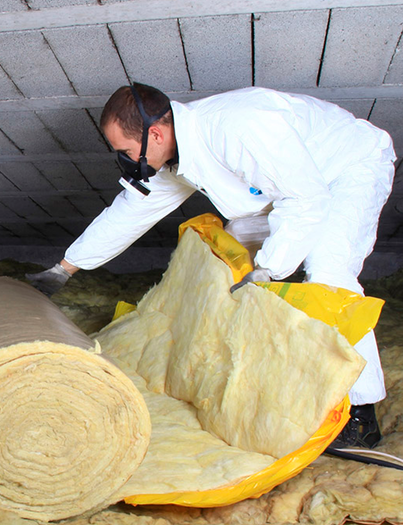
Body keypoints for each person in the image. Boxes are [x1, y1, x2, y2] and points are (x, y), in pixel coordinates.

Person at [27, 83, 396, 449]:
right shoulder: (174, 156)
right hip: (284, 192)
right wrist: (65, 268)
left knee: (329, 272)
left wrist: (268, 268)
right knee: (229, 255)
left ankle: (362, 415)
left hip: (345, 171)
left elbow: (307, 199)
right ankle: (248, 375)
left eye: (124, 151)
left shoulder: (237, 126)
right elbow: (129, 213)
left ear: (154, 134)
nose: (123, 160)